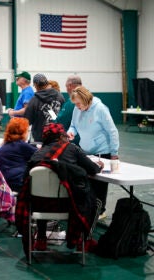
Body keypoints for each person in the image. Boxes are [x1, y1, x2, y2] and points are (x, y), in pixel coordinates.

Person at [23, 123, 104, 253]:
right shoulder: (72, 148)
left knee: (40, 195)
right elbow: (93, 169)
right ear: (62, 136)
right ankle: (85, 241)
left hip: (39, 206)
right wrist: (99, 165)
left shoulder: (37, 155)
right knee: (96, 202)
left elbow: (25, 180)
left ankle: (41, 239)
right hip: (71, 205)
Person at [67, 86, 119, 219]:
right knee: (86, 181)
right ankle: (88, 208)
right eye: (75, 104)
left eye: (78, 103)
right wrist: (71, 132)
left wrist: (114, 153)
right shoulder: (77, 108)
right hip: (85, 151)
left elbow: (112, 131)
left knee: (100, 184)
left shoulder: (100, 109)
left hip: (102, 151)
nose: (77, 106)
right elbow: (73, 124)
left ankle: (100, 211)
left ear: (85, 99)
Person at [0, 118, 37, 192]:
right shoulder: (22, 146)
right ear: (22, 132)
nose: (28, 133)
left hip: (3, 182)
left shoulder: (4, 145)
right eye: (27, 131)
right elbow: (41, 155)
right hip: (17, 183)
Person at [24, 73, 65, 143]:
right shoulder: (60, 97)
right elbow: (64, 115)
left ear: (35, 85)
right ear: (46, 83)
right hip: (58, 135)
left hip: (40, 138)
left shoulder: (34, 100)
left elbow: (27, 120)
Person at [55, 75, 82, 145]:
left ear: (70, 85)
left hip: (74, 142)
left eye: (66, 86)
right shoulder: (87, 100)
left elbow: (61, 120)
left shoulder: (71, 102)